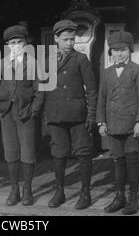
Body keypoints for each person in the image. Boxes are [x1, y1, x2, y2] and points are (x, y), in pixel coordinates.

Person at [97, 31, 139, 215]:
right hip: (113, 125)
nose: (119, 54)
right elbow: (101, 99)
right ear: (110, 52)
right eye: (115, 50)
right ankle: (119, 197)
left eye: (123, 50)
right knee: (118, 162)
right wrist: (101, 122)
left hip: (131, 126)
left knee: (132, 161)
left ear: (130, 51)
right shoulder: (106, 73)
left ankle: (133, 199)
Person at [0, 25, 45, 206]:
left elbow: (40, 90)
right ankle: (14, 189)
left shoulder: (33, 63)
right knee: (11, 151)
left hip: (25, 114)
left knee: (28, 152)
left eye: (19, 42)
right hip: (6, 114)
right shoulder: (1, 63)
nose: (16, 46)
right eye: (12, 43)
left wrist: (34, 110)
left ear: (26, 43)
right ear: (7, 45)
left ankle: (27, 188)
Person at [44, 19, 97, 209]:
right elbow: (42, 88)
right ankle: (59, 192)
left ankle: (85, 193)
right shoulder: (47, 60)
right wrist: (45, 116)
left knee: (83, 153)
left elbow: (91, 90)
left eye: (72, 39)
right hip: (56, 116)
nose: (70, 43)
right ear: (56, 38)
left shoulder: (81, 59)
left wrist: (91, 115)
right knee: (58, 153)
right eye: (65, 39)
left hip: (78, 116)